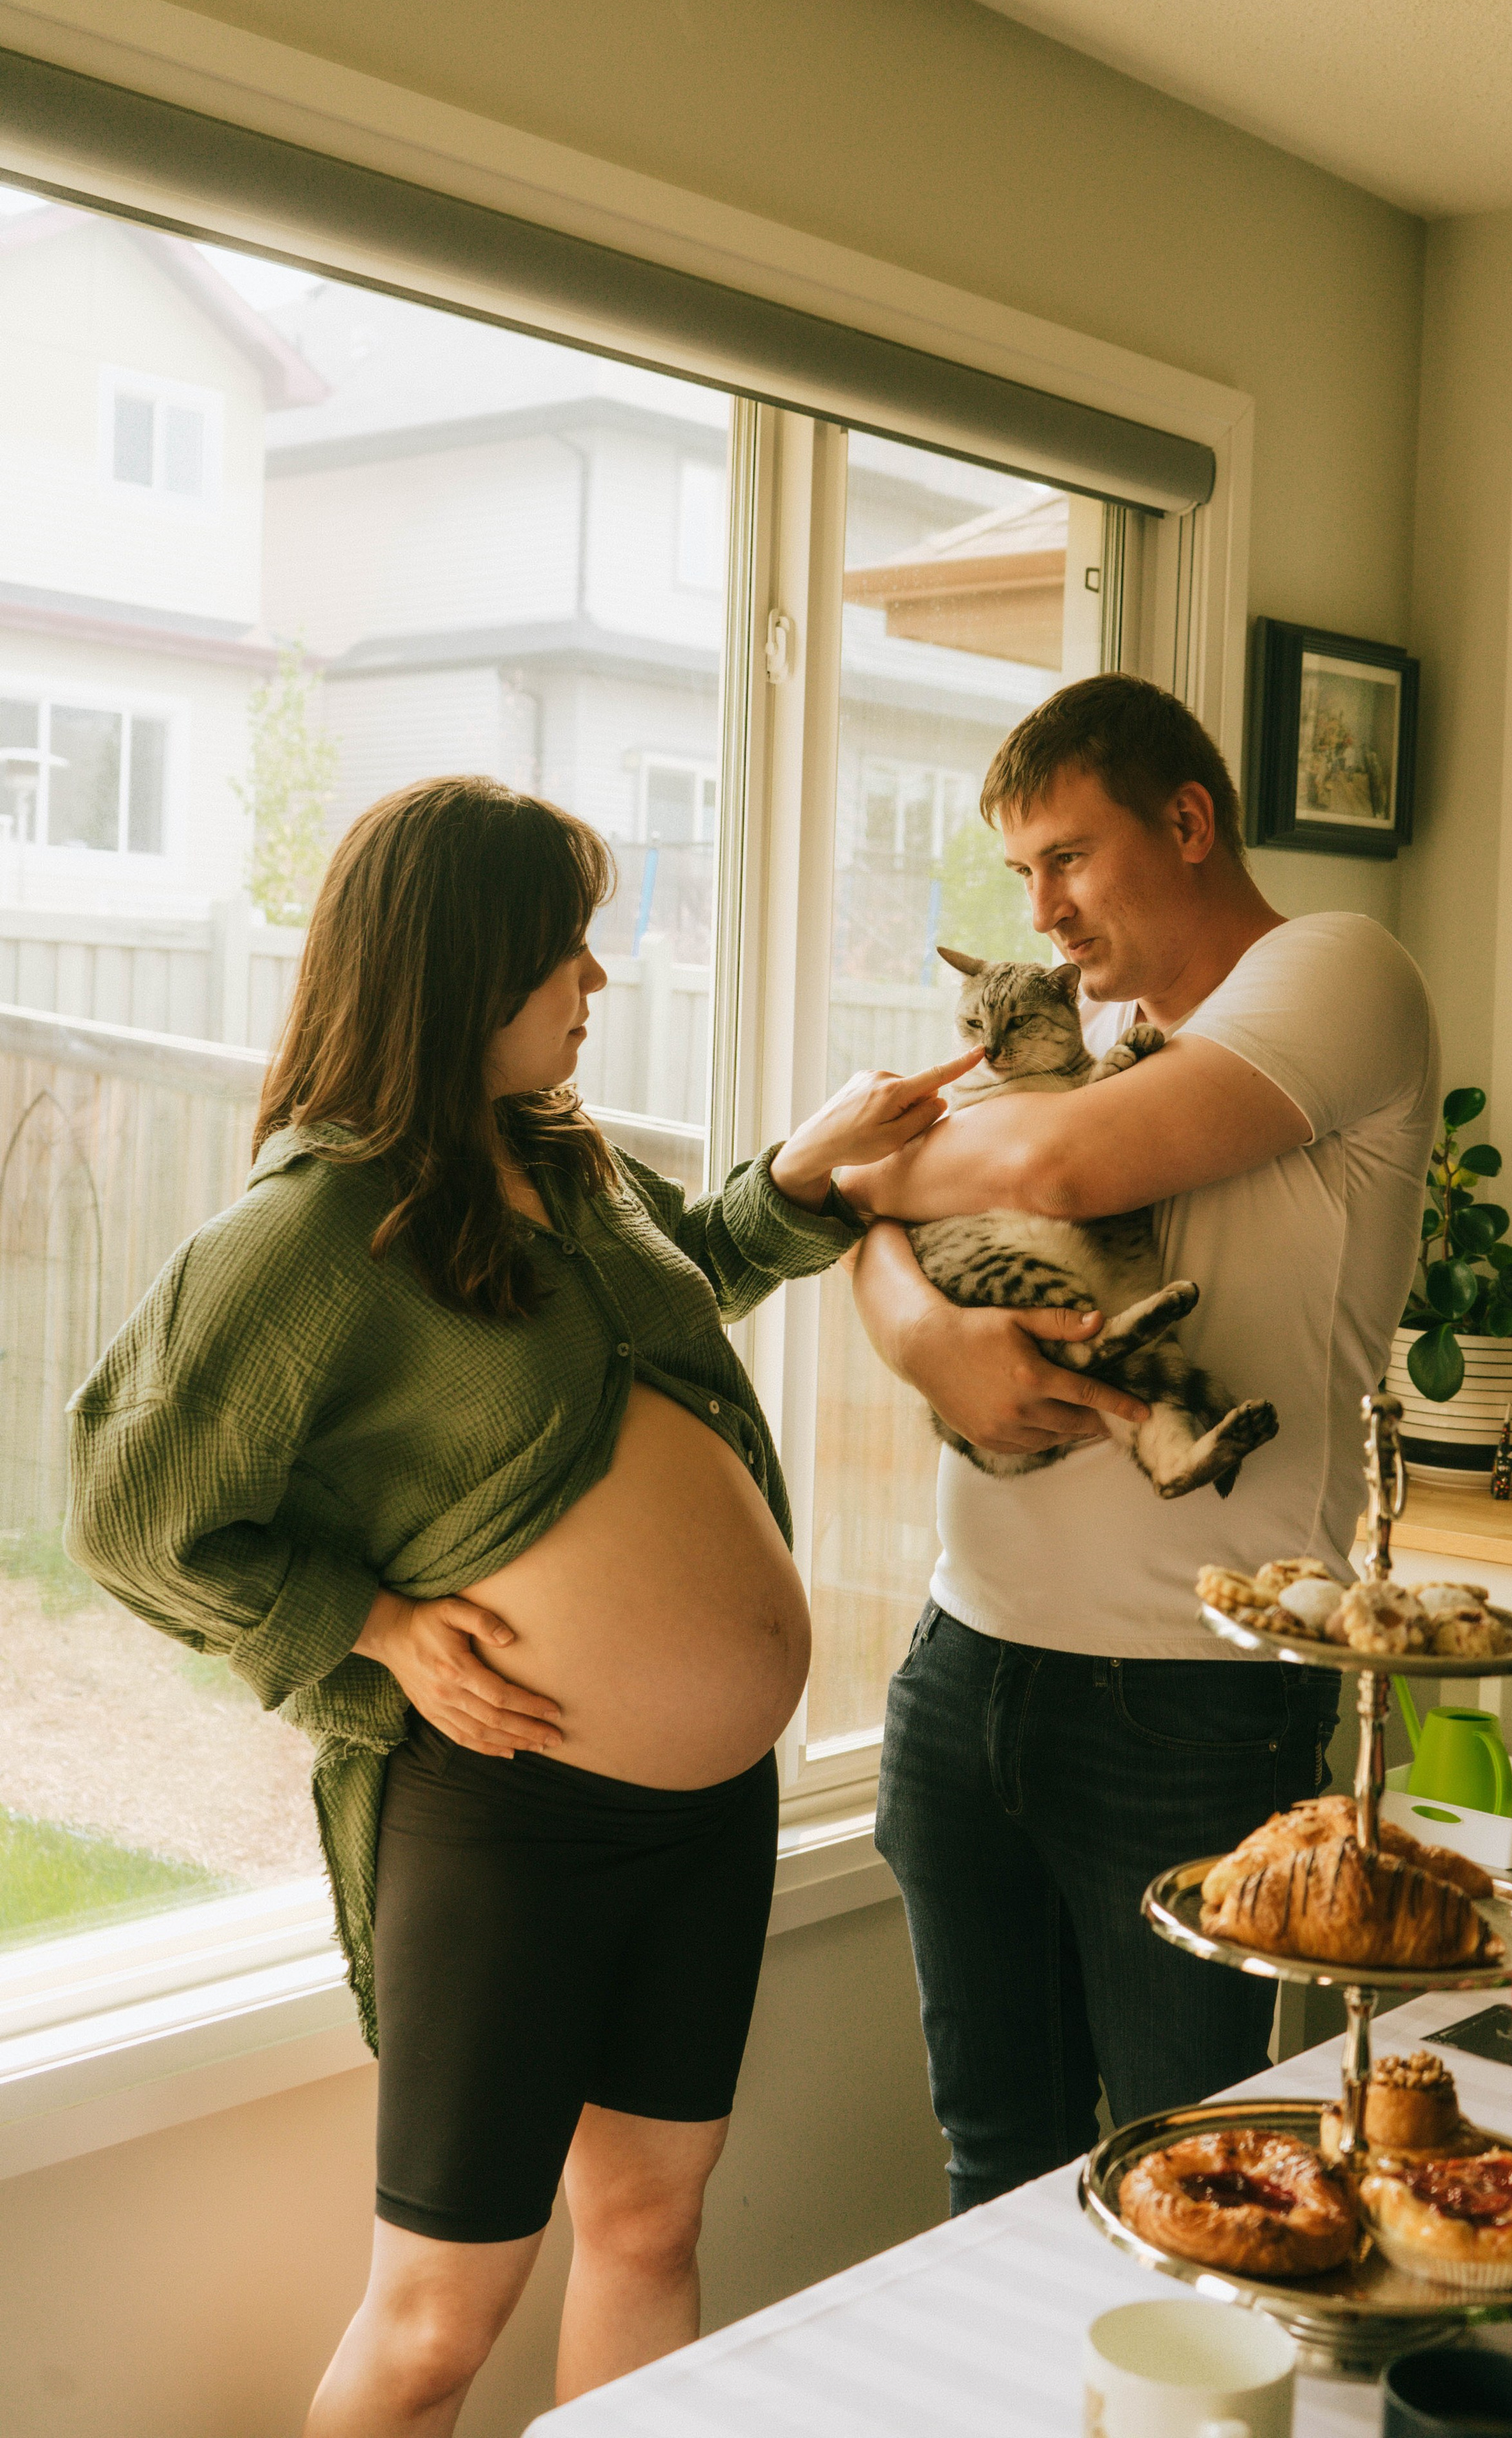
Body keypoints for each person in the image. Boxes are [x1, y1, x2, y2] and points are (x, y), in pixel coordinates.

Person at [63, 775, 978, 2436]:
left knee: (648, 2226)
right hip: (512, 1816)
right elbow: (133, 1511)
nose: (596, 978)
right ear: (461, 966)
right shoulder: (318, 1225)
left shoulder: (563, 1161)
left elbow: (673, 1290)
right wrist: (375, 1630)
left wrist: (801, 1173)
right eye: (565, 947)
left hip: (705, 1816)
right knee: (436, 2320)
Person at [836, 674, 1441, 2213]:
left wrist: (865, 1177)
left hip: (1190, 1704)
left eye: (1067, 858)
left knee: (1208, 2187)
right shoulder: (1083, 1033)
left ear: (1186, 822)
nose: (1041, 912)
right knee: (994, 2178)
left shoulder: (1336, 972)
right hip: (965, 1664)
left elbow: (1036, 1168)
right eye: (1019, 871)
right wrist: (920, 1338)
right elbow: (883, 1230)